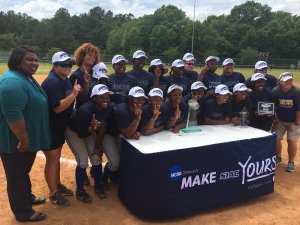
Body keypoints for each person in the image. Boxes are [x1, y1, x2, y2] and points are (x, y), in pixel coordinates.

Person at [0, 46, 50, 222]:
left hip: (24, 139)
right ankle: (23, 212)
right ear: (17, 61)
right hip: (14, 141)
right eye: (30, 59)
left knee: (22, 172)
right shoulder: (12, 82)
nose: (34, 63)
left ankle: (27, 197)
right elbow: (13, 115)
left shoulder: (25, 77)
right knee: (17, 176)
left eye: (36, 60)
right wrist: (23, 139)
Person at [65, 84, 119, 201]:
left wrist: (97, 147)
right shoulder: (85, 111)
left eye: (107, 97)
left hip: (90, 130)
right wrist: (92, 129)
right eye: (101, 97)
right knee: (83, 160)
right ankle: (80, 191)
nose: (105, 100)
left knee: (96, 157)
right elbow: (81, 134)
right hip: (74, 131)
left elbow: (103, 126)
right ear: (94, 98)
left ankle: (98, 185)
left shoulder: (108, 108)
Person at [41, 51, 81, 206]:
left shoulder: (63, 79)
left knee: (56, 159)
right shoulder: (52, 82)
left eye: (69, 64)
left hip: (59, 127)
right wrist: (74, 94)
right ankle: (53, 193)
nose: (68, 67)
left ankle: (56, 185)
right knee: (52, 160)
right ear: (55, 65)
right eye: (64, 64)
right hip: (50, 128)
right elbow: (57, 108)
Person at [272, 72, 300, 172]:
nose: (289, 82)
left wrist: (296, 123)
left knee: (291, 140)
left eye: (290, 80)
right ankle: (278, 158)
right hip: (280, 120)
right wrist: (277, 120)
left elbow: (299, 109)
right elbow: (273, 108)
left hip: (294, 120)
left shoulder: (297, 91)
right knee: (276, 138)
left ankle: (291, 162)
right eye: (286, 81)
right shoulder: (275, 91)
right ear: (280, 82)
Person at [69, 43, 100, 108]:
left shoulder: (96, 73)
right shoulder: (75, 75)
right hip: (82, 109)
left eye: (94, 56)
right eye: (90, 55)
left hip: (96, 108)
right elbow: (81, 98)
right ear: (82, 56)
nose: (92, 58)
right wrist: (86, 84)